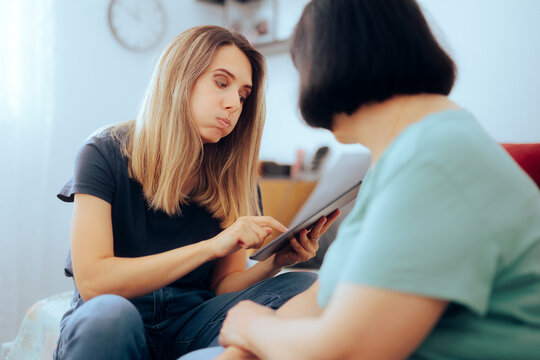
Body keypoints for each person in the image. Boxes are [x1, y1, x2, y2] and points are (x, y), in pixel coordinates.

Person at [180, 1, 540, 359]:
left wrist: (251, 326)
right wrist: (242, 347)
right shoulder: (399, 161)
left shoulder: (435, 160)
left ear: (327, 61)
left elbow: (347, 352)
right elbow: (323, 298)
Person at [53, 25, 340, 360]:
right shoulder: (104, 152)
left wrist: (276, 262)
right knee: (108, 316)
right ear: (179, 79)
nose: (234, 103)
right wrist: (209, 247)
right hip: (119, 318)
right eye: (222, 82)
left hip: (192, 325)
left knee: (306, 286)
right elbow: (94, 283)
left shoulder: (235, 175)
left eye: (243, 95)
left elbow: (223, 287)